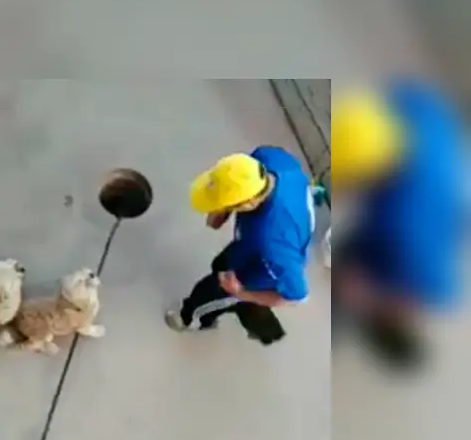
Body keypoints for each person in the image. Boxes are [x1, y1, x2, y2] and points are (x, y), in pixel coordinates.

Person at [331, 78, 467, 366]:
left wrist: (364, 291)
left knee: (354, 280)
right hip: (449, 181)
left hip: (431, 222)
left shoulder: (405, 229)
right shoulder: (413, 108)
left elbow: (430, 284)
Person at [165, 148, 315, 345]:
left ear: (249, 203)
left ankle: (193, 319)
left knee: (209, 293)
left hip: (260, 270)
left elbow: (297, 297)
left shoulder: (274, 246)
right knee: (219, 264)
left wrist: (240, 292)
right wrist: (223, 208)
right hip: (250, 247)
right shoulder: (268, 159)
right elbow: (217, 219)